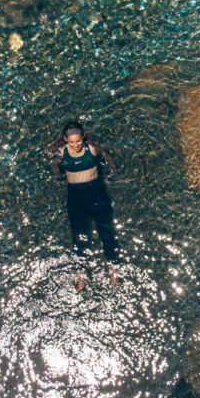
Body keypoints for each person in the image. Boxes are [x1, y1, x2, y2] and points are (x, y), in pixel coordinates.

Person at [48, 121, 120, 291]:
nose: (76, 145)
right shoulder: (61, 152)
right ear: (65, 140)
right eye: (71, 141)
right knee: (79, 234)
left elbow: (107, 158)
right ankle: (81, 276)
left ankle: (114, 271)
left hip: (97, 193)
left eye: (78, 141)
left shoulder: (92, 148)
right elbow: (54, 166)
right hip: (76, 196)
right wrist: (57, 176)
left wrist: (113, 169)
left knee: (106, 230)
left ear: (83, 137)